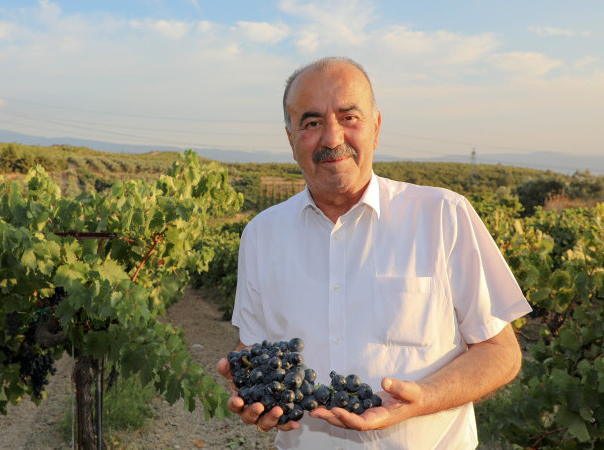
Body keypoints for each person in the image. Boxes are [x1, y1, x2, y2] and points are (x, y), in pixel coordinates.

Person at [216, 57, 532, 449]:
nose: (332, 139)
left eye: (349, 117)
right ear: (290, 137)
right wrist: (251, 382)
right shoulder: (260, 235)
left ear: (376, 128)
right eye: (312, 123)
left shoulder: (443, 215)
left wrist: (423, 400)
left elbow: (500, 353)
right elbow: (255, 347)